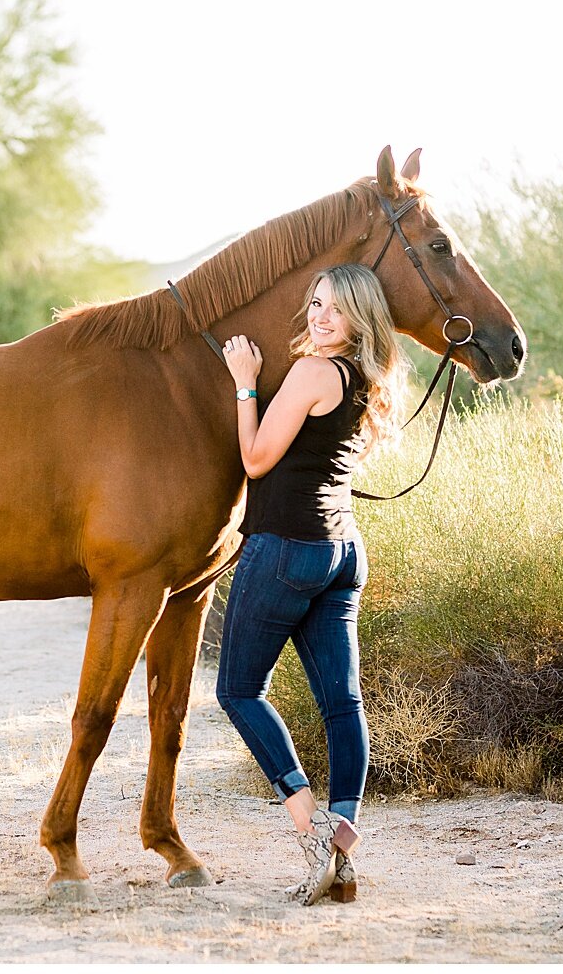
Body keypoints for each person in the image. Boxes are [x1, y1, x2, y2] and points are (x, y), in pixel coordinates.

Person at [216, 262, 408, 906]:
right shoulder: (367, 377)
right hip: (344, 550)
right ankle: (343, 851)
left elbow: (255, 460)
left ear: (360, 320)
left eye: (336, 309)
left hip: (286, 549)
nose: (321, 317)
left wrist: (246, 385)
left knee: (239, 689)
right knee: (342, 704)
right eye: (317, 303)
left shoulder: (311, 371)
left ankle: (310, 822)